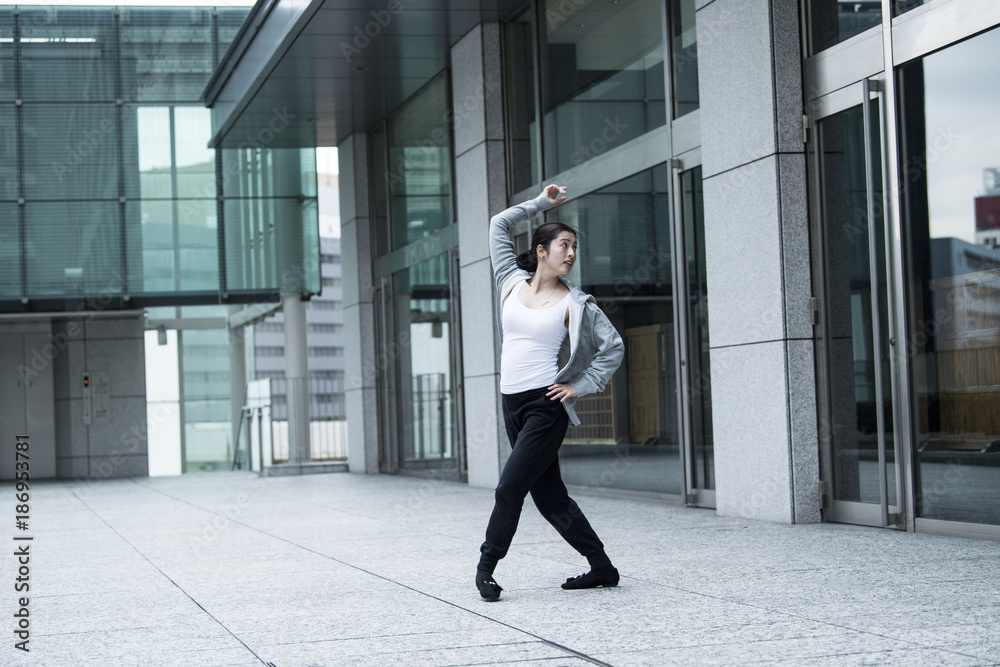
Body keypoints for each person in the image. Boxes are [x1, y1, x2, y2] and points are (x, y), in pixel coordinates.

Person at [476, 184, 625, 601]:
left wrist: (578, 385)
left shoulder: (577, 303)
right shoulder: (509, 279)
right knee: (550, 496)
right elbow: (499, 223)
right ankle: (602, 567)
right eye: (564, 244)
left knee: (510, 488)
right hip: (512, 403)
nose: (571, 253)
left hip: (546, 405)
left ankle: (486, 567)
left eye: (574, 247)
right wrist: (541, 203)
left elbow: (613, 347)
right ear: (541, 250)